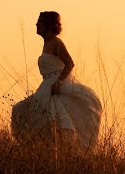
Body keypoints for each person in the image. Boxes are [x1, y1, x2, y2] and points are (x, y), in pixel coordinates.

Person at [11, 11, 102, 149]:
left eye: (39, 22)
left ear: (47, 25)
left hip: (54, 84)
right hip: (46, 85)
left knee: (49, 118)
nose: (36, 24)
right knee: (20, 110)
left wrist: (58, 82)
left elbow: (69, 63)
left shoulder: (56, 43)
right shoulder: (47, 43)